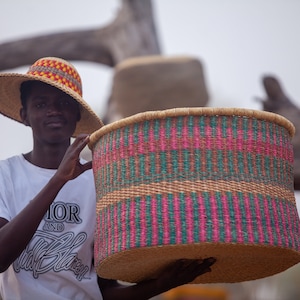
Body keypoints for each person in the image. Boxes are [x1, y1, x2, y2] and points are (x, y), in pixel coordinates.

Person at [0, 57, 216, 300]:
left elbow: (104, 290)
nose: (54, 110)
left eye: (63, 102)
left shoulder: (100, 182)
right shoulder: (5, 175)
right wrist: (58, 180)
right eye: (41, 104)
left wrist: (161, 284)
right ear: (24, 115)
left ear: (76, 114)